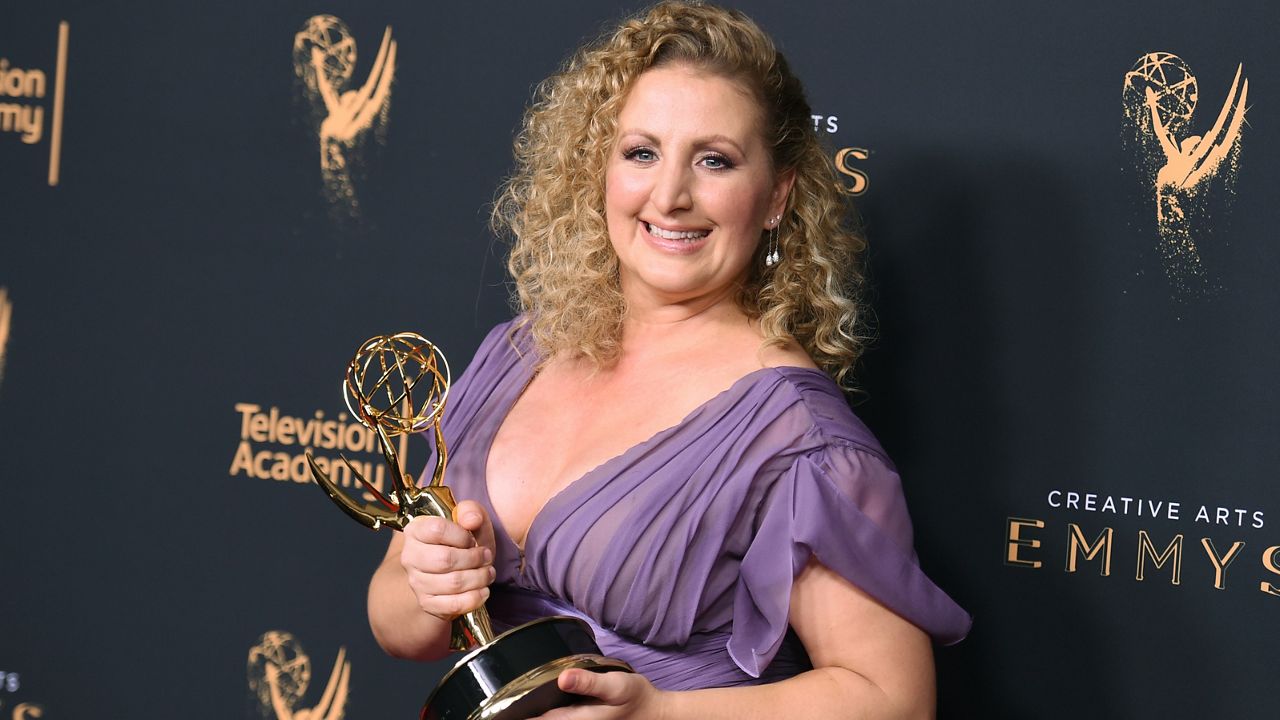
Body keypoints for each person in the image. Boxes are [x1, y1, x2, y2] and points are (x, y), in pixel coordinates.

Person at [367, 2, 970, 717]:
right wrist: (425, 587)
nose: (670, 196)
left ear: (777, 196)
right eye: (641, 152)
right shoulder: (513, 356)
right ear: (601, 169)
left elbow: (892, 700)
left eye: (714, 160)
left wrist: (663, 712)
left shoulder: (798, 440)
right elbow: (398, 624)